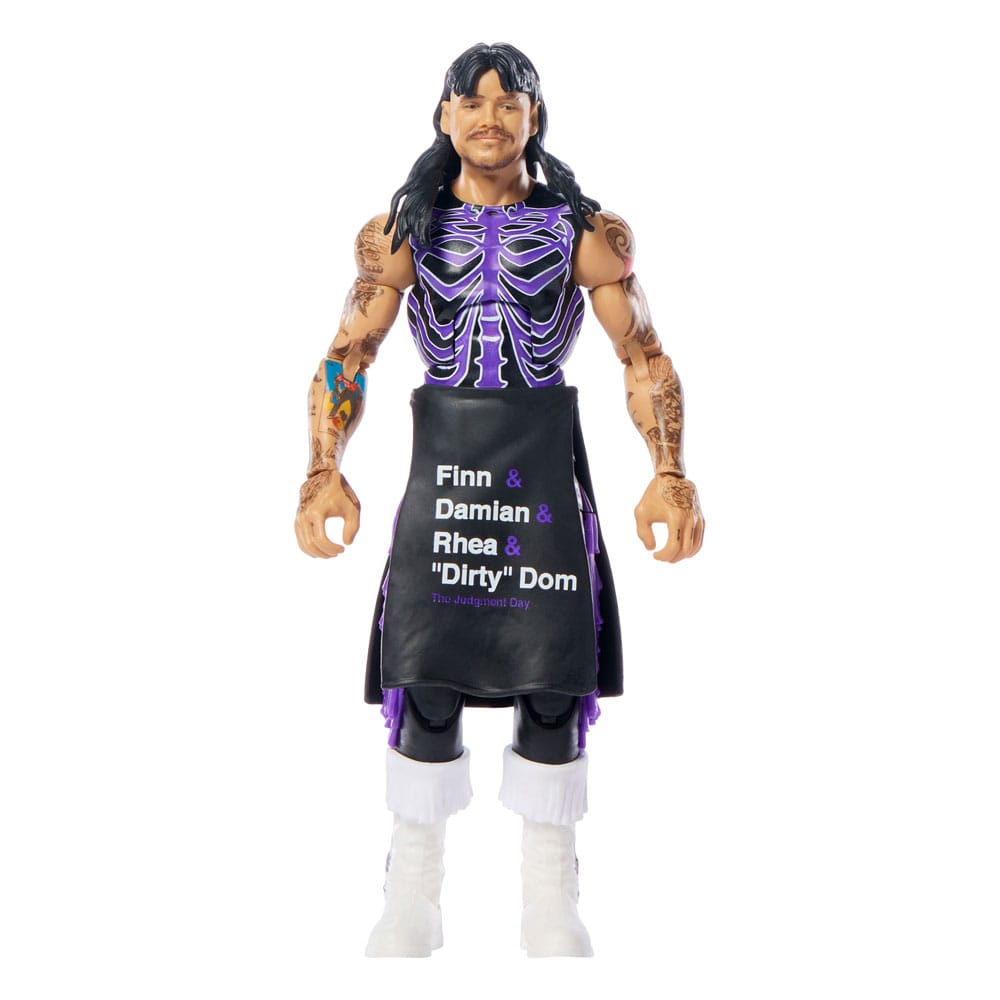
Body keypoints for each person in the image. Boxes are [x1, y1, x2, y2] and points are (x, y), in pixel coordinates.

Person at [294, 42, 704, 958]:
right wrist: (324, 466)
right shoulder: (401, 232)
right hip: (446, 465)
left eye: (507, 102)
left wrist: (668, 471)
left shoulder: (583, 232)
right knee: (424, 673)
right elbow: (347, 353)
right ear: (444, 115)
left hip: (543, 465)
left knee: (554, 676)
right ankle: (413, 886)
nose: (489, 117)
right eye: (471, 102)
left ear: (532, 117)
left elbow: (643, 355)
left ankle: (551, 891)